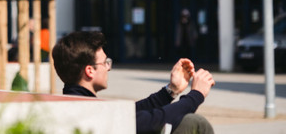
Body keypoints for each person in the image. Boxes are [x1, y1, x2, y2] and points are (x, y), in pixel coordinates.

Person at [52, 31, 215, 134]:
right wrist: (196, 95)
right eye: (105, 62)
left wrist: (171, 90)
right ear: (89, 71)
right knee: (195, 123)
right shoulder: (93, 113)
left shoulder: (73, 105)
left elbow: (130, 113)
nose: (108, 68)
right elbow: (154, 119)